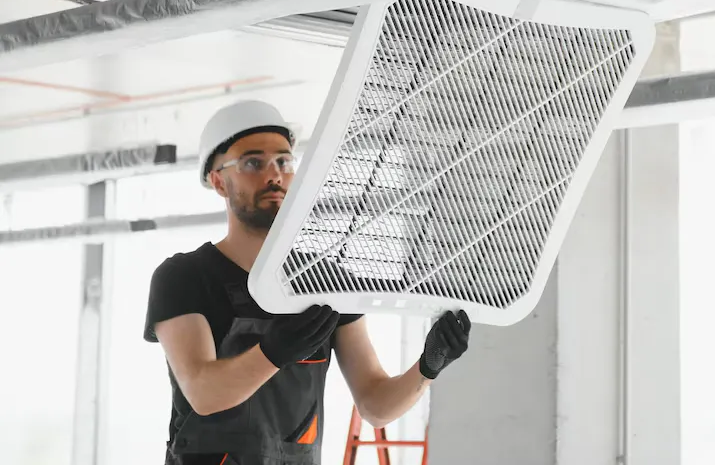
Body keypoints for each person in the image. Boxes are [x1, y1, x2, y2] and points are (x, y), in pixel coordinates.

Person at [144, 100, 471, 465]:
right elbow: (203, 393)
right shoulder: (184, 277)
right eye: (253, 163)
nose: (274, 175)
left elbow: (375, 405)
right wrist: (272, 352)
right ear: (219, 181)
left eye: (284, 162)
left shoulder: (324, 281)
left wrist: (428, 366)